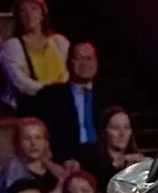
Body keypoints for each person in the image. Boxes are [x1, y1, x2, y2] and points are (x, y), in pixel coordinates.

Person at [35, 41, 109, 178]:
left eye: (88, 58)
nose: (84, 63)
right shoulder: (50, 96)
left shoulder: (108, 95)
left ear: (97, 63)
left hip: (103, 159)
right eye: (78, 58)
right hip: (66, 161)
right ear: (68, 63)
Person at [0, 0, 68, 101]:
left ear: (42, 13)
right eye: (23, 11)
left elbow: (66, 74)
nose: (29, 14)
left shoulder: (59, 42)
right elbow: (20, 82)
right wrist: (48, 92)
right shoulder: (12, 46)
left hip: (59, 100)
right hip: (31, 103)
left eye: (33, 8)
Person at [101, 107, 147, 174]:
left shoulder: (136, 160)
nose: (122, 134)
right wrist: (117, 164)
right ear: (104, 132)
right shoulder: (94, 164)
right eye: (116, 128)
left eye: (126, 127)